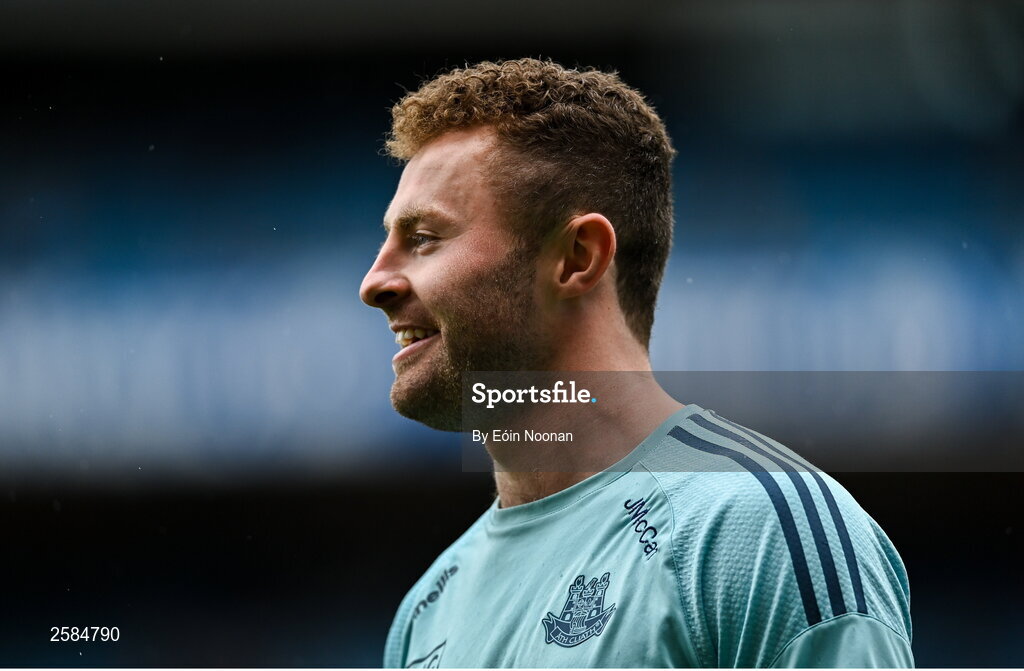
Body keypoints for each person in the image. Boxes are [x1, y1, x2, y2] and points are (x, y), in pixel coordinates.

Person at [360, 58, 913, 668]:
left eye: (424, 238)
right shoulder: (426, 611)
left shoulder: (759, 533)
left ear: (576, 258)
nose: (374, 281)